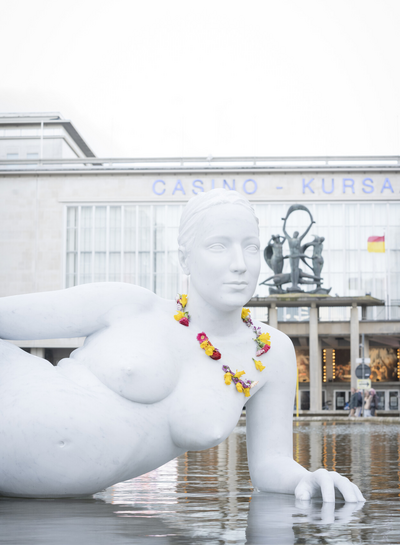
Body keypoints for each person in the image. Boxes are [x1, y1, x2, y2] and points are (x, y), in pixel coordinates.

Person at [0, 189, 364, 502]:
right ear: (185, 257)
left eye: (251, 247)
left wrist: (308, 480)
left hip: (58, 510)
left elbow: (270, 465)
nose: (240, 264)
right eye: (219, 246)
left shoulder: (271, 353)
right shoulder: (129, 305)